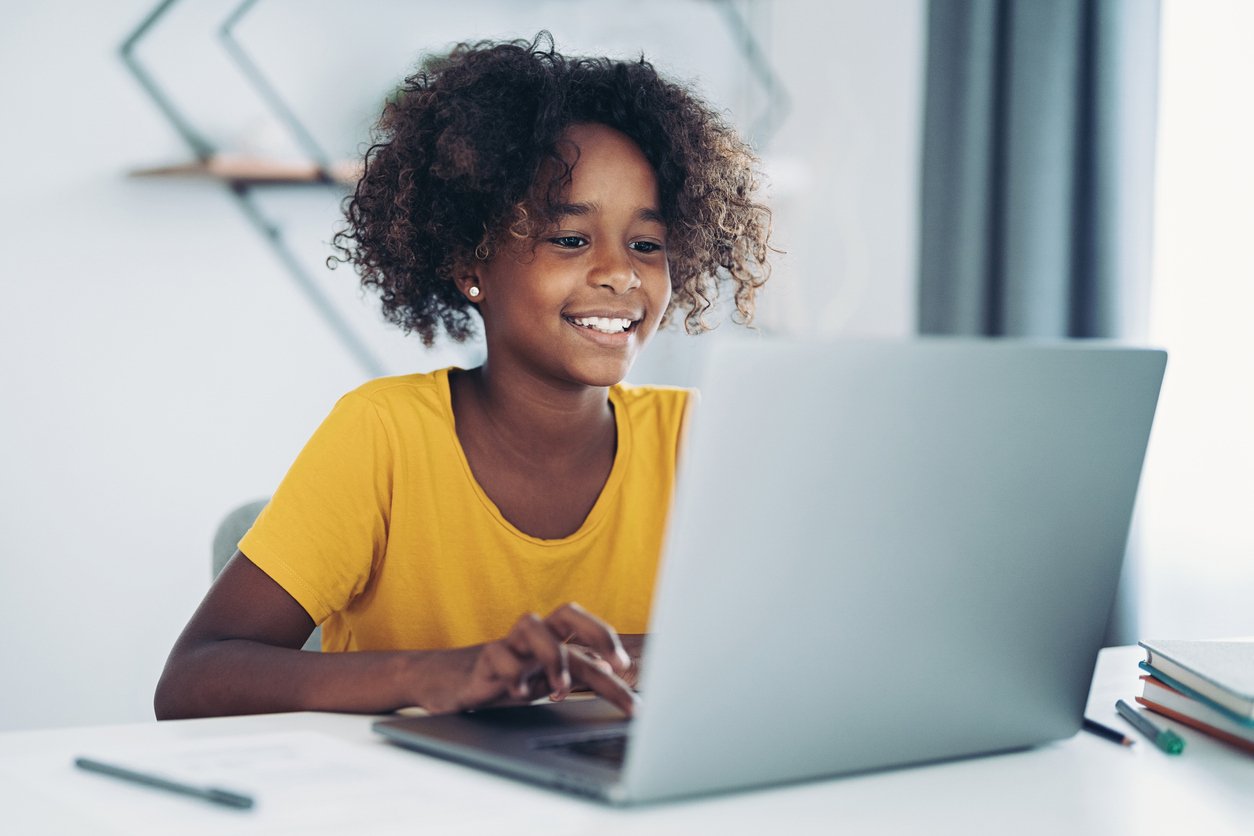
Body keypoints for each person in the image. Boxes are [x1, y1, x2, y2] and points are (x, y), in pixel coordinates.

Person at [154, 33, 771, 720]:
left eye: (647, 245)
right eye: (570, 239)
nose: (620, 274)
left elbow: (786, 645)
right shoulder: (383, 436)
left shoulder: (701, 440)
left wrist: (612, 659)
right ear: (471, 264)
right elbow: (192, 682)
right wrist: (436, 674)